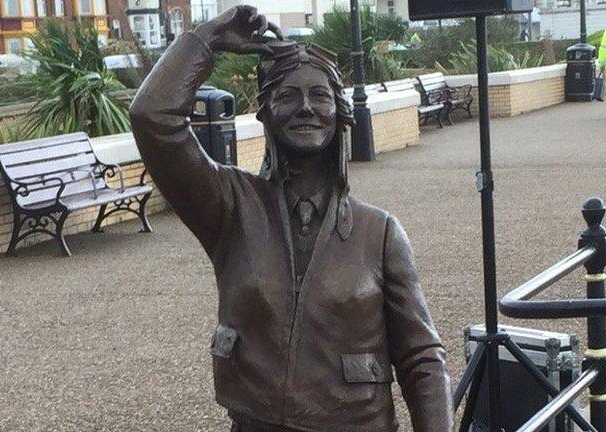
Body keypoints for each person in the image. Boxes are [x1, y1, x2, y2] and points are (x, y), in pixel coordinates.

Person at [129, 5, 454, 432]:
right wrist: (208, 38)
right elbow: (153, 118)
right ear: (266, 114)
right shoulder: (231, 207)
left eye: (319, 95)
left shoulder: (380, 232)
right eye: (287, 96)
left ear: (340, 111)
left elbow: (421, 357)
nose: (305, 107)